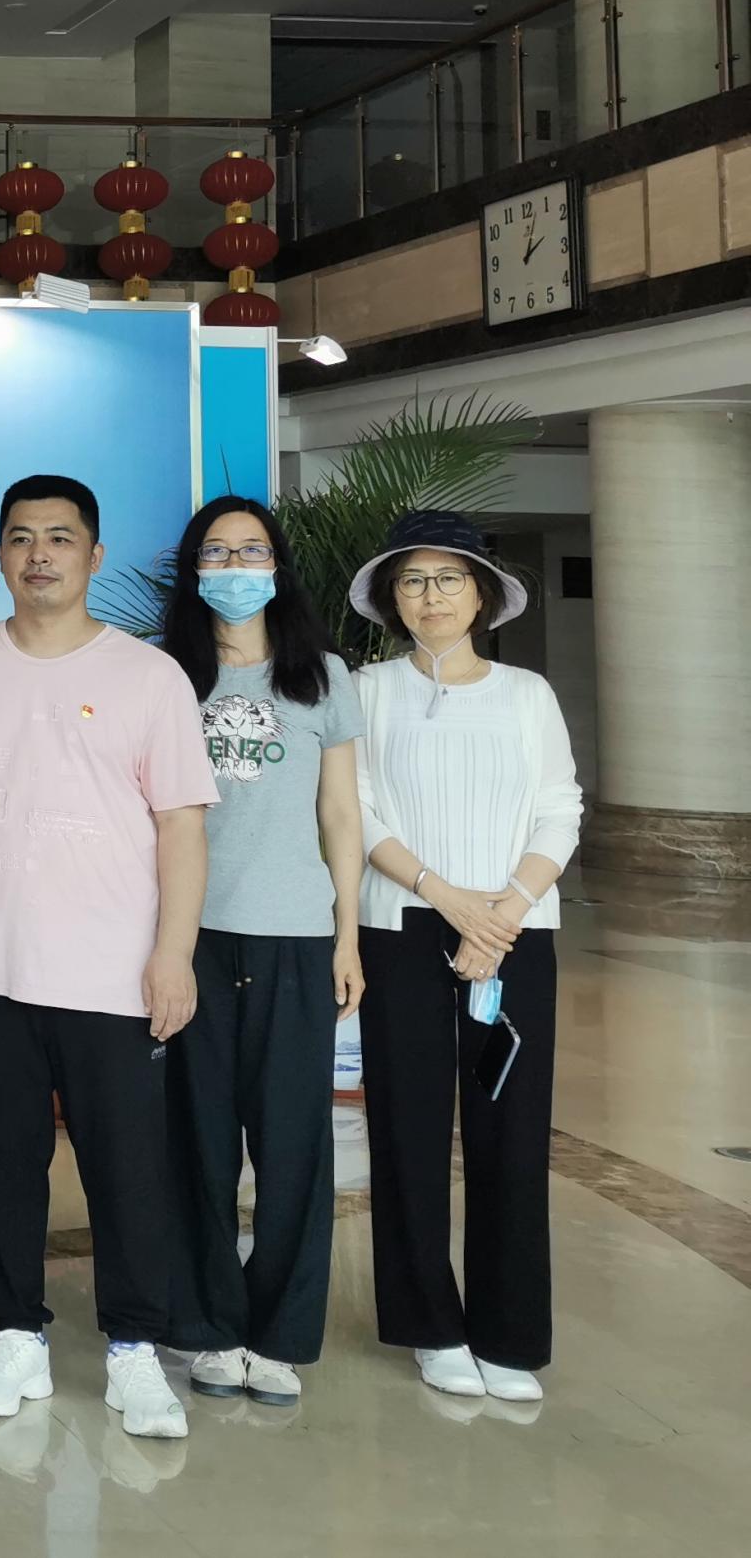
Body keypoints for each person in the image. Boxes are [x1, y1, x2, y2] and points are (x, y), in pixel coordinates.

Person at [0, 473, 217, 1443]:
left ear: (93, 554)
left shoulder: (147, 676)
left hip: (111, 968)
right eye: (22, 537)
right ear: (0, 552)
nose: (39, 554)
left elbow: (182, 825)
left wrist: (173, 955)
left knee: (127, 1167)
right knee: (3, 1160)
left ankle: (134, 1347)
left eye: (60, 537)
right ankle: (16, 1333)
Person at [346, 509, 579, 1405]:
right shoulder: (366, 690)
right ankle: (430, 1326)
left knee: (510, 1129)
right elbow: (357, 809)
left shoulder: (527, 694)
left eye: (448, 579)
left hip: (515, 932)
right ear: (392, 599)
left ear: (482, 595)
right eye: (412, 581)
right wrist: (445, 897)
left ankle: (509, 1333)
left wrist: (502, 914)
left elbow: (560, 808)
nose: (430, 595)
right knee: (406, 1127)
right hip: (404, 924)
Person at [157, 494, 364, 1404]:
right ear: (192, 569)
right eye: (216, 552)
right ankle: (208, 1326)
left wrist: (347, 934)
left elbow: (341, 813)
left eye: (251, 551)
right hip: (190, 935)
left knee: (293, 1147)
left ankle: (279, 1334)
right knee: (197, 1141)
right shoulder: (165, 674)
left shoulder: (322, 674)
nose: (234, 568)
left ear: (277, 565)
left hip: (296, 936)